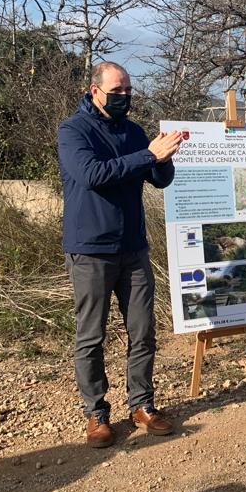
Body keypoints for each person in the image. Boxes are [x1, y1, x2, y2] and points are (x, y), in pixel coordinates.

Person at [57, 61, 184, 447]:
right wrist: (148, 155)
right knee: (91, 336)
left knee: (143, 330)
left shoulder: (133, 132)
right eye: (117, 92)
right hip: (91, 251)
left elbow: (158, 180)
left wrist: (165, 157)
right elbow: (93, 174)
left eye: (128, 91)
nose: (124, 98)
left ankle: (142, 404)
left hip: (133, 248)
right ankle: (96, 414)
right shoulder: (72, 131)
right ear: (95, 91)